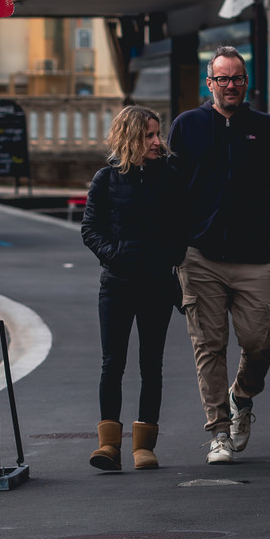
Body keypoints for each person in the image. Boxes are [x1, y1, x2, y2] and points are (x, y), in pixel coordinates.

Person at [169, 46, 270, 465]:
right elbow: (171, 195)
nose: (231, 86)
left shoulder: (265, 127)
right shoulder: (187, 126)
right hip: (199, 256)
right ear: (209, 83)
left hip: (253, 256)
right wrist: (171, 256)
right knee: (209, 346)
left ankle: (241, 395)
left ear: (247, 82)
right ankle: (219, 432)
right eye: (223, 79)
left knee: (260, 340)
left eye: (238, 78)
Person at [80, 105, 186, 472]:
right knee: (113, 364)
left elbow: (182, 226)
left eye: (158, 134)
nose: (158, 142)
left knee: (151, 365)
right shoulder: (106, 180)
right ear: (130, 138)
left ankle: (145, 446)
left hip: (157, 284)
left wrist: (168, 256)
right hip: (117, 285)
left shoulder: (170, 176)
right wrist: (116, 256)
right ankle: (108, 445)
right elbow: (90, 229)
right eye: (149, 135)